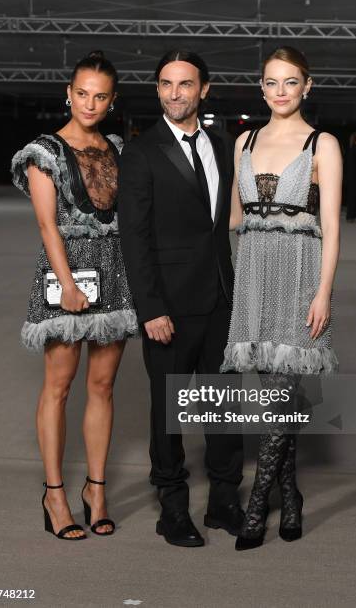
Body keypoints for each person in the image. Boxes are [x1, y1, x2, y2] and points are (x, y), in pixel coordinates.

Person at [117, 50, 244, 548]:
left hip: (221, 300)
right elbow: (134, 237)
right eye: (166, 84)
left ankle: (223, 501)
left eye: (185, 84)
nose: (175, 93)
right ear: (157, 91)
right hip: (168, 307)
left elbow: (227, 220)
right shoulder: (141, 152)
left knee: (221, 407)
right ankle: (172, 508)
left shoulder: (222, 144)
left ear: (204, 90)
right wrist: (150, 308)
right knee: (168, 412)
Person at [11, 51, 138, 540]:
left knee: (103, 387)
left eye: (100, 95)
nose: (89, 102)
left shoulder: (118, 149)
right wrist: (65, 284)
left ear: (111, 100)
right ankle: (55, 493)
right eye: (81, 93)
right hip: (66, 274)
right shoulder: (43, 151)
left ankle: (97, 490)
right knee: (59, 387)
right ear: (68, 93)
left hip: (115, 272)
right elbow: (46, 225)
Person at [221, 46, 341, 550]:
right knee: (277, 397)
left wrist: (324, 294)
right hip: (254, 273)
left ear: (307, 86)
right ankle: (290, 498)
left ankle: (257, 510)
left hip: (300, 277)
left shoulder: (323, 143)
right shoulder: (244, 140)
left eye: (290, 82)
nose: (280, 92)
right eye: (271, 82)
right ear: (261, 86)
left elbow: (333, 227)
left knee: (281, 397)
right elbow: (232, 217)